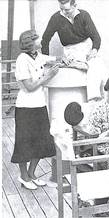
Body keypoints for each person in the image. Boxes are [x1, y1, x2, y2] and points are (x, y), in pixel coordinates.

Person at [11, 30, 61, 190]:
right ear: (30, 42)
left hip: (40, 106)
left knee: (42, 142)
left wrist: (67, 59)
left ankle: (32, 174)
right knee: (24, 144)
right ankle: (24, 176)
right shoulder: (22, 60)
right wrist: (47, 76)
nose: (40, 40)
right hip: (25, 108)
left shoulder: (38, 55)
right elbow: (29, 86)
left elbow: (55, 59)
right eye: (37, 39)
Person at [41, 0, 103, 101]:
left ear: (74, 6)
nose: (64, 12)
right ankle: (93, 98)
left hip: (86, 49)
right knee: (87, 65)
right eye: (61, 9)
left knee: (97, 65)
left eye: (67, 10)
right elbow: (45, 40)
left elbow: (96, 37)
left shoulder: (84, 15)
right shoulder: (56, 18)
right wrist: (46, 59)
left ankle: (94, 97)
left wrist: (94, 50)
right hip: (70, 52)